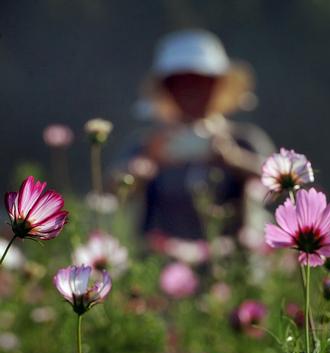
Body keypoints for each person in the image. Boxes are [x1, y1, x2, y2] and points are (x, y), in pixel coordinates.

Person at [116, 29, 274, 244]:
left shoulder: (243, 139)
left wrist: (234, 159)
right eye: (179, 82)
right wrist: (144, 165)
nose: (190, 90)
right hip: (162, 264)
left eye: (200, 81)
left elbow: (280, 184)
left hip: (234, 264)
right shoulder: (147, 143)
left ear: (217, 85)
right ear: (167, 89)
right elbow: (108, 192)